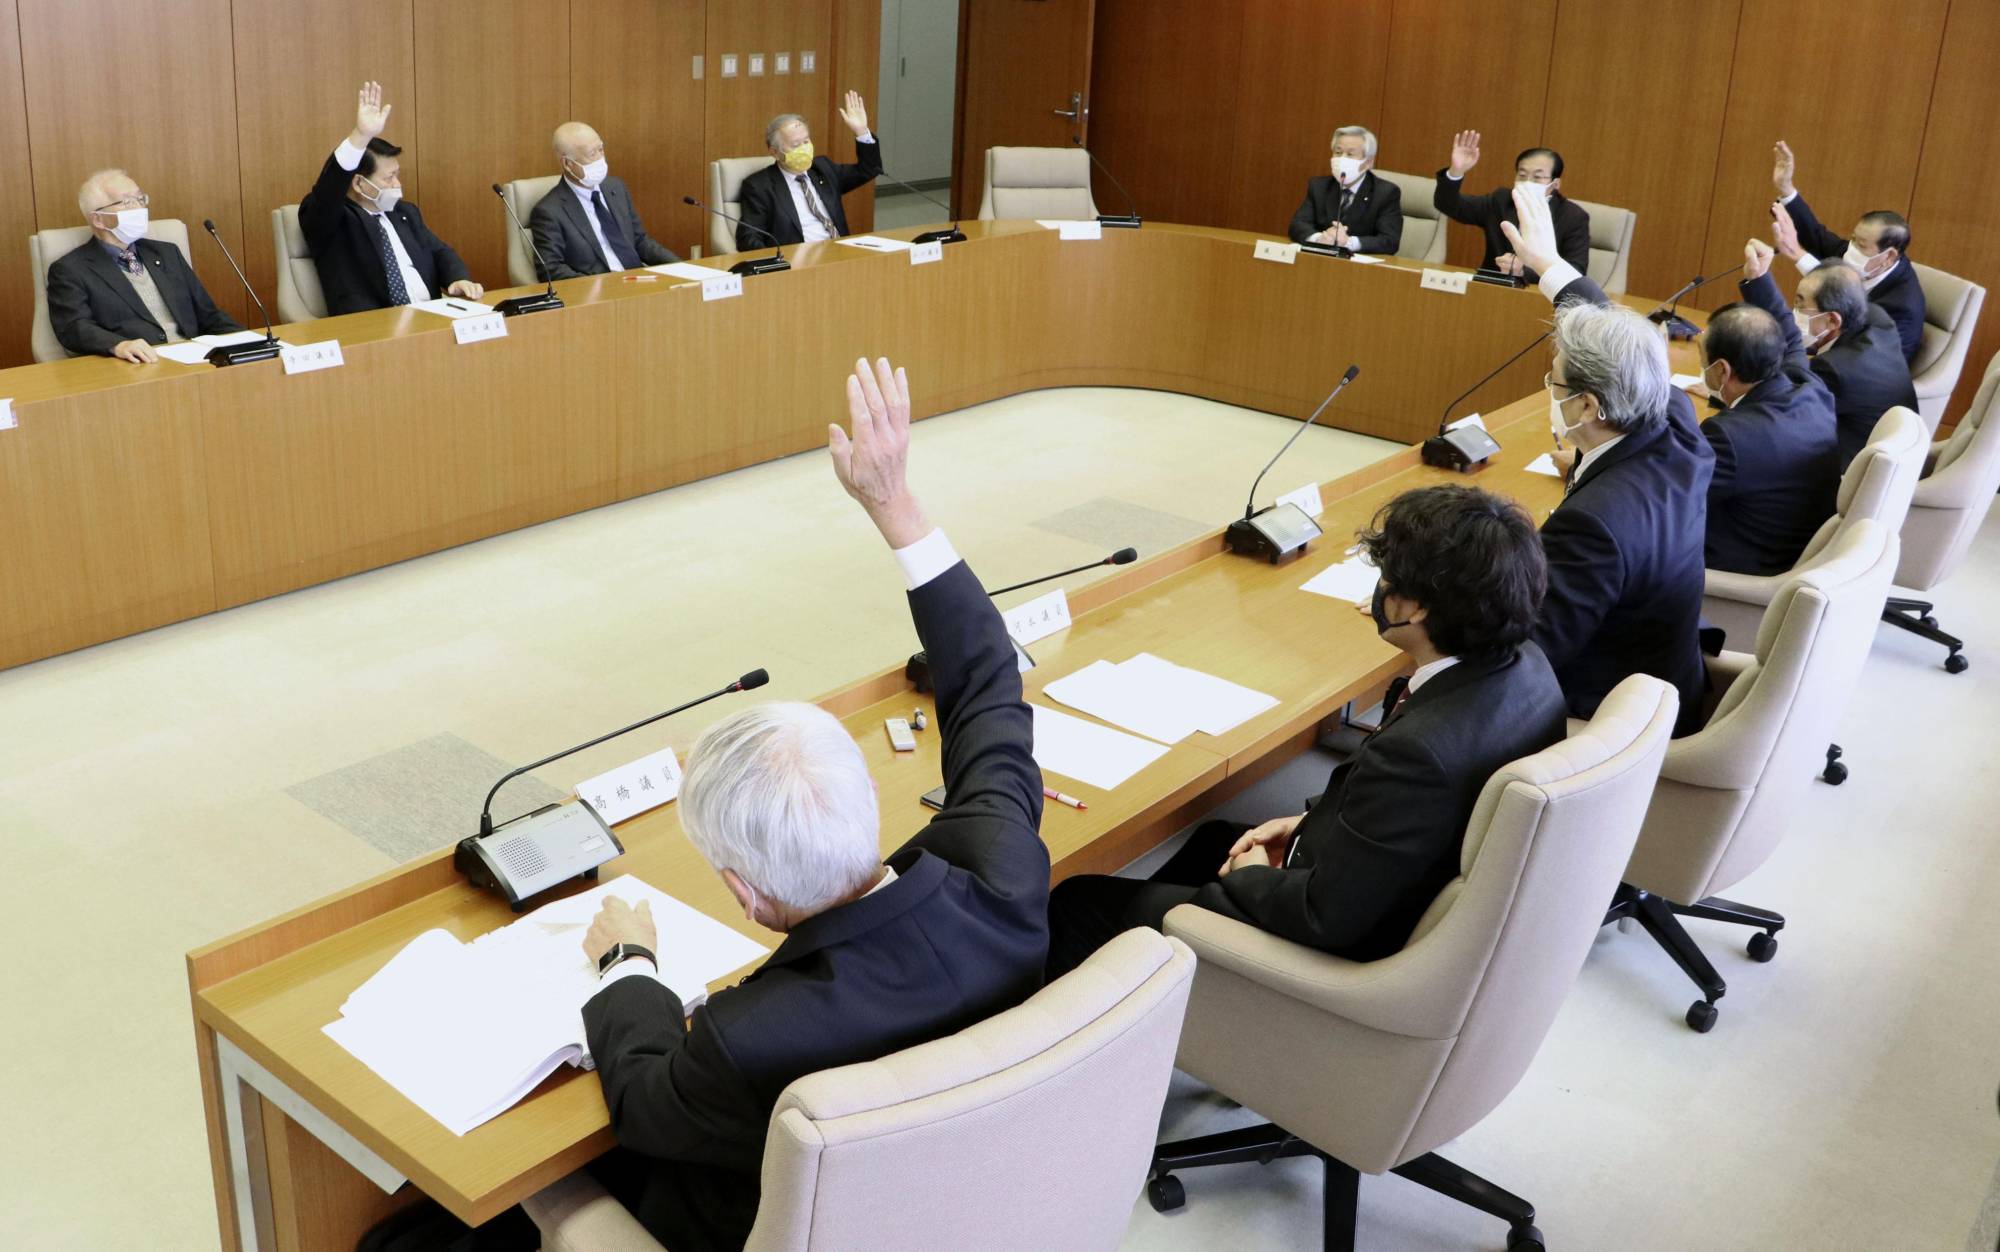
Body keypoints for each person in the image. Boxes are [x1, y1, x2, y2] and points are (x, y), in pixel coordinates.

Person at [574, 357, 1048, 1252]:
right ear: (865, 797)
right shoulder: (1005, 869)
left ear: (745, 892)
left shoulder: (747, 1036)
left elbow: (641, 1102)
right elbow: (990, 683)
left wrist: (626, 963)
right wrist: (895, 505)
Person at [1045, 484, 1567, 976]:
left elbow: (1329, 919)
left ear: (1415, 608)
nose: (1380, 587)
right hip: (1392, 877)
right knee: (1212, 841)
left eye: (1387, 576)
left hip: (1334, 947)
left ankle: (1127, 987)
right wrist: (1306, 825)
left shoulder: (1418, 754)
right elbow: (1404, 821)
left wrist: (1253, 876)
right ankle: (1145, 961)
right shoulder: (1528, 668)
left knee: (1076, 900)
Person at [1499, 187, 1713, 735]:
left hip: (1608, 716)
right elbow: (1622, 340)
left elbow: (1529, 654)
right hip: (1670, 680)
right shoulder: (1678, 427)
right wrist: (1549, 265)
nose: (1550, 391)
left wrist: (1439, 603)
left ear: (1589, 405)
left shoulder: (1594, 525)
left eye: (1555, 383)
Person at [1693, 238, 1841, 575]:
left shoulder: (1729, 437)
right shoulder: (1810, 391)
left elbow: (1663, 493)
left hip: (1742, 570)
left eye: (1703, 357)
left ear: (1721, 371)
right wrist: (1759, 280)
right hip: (1790, 545)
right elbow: (1791, 341)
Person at [299, 81, 483, 314]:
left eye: (397, 175)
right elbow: (329, 188)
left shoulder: (405, 213)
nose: (397, 184)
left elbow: (439, 251)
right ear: (358, 183)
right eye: (389, 178)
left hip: (431, 315)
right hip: (375, 322)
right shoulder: (333, 219)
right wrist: (360, 136)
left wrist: (457, 279)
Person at [46, 170, 242, 362]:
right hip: (136, 365)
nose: (139, 208)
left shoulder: (167, 253)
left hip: (194, 359)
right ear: (98, 219)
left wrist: (246, 342)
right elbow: (74, 328)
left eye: (140, 199)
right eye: (127, 202)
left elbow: (209, 315)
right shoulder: (70, 269)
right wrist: (119, 345)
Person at [1769, 139, 1925, 362]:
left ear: (1888, 256)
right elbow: (1816, 235)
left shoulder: (1902, 306)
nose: (1851, 249)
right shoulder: (1857, 257)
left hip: (1860, 371)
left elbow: (1862, 350)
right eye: (1853, 239)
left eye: (1861, 244)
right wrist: (1786, 188)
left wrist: (1798, 255)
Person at [1794, 260, 1920, 470]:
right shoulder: (1876, 318)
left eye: (1800, 305)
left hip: (1851, 470)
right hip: (1897, 456)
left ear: (1832, 321)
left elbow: (1786, 408)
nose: (1794, 312)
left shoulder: (1834, 369)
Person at [528, 122, 680, 278]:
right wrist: (602, 287)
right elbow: (551, 269)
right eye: (592, 154)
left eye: (601, 149)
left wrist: (681, 267)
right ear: (568, 164)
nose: (600, 158)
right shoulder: (549, 211)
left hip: (638, 281)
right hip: (597, 286)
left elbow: (640, 241)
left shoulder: (616, 188)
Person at [1434, 129, 1589, 280]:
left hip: (1539, 292)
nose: (1527, 182)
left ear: (1555, 184)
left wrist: (1524, 271)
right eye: (1522, 175)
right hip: (1492, 286)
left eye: (1537, 177)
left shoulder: (1573, 217)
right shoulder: (1501, 200)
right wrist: (1456, 171)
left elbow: (1576, 269)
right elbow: (1448, 205)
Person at [735, 91, 882, 251]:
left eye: (806, 141)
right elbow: (748, 238)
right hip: (799, 259)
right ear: (775, 152)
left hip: (839, 252)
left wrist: (862, 131)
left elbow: (869, 169)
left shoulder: (823, 168)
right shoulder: (760, 186)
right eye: (795, 145)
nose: (804, 148)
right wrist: (777, 261)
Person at [1287, 125, 1403, 253]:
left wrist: (1349, 242)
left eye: (1350, 154)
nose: (1342, 159)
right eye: (1338, 152)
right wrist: (1320, 238)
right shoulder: (1319, 186)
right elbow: (1297, 225)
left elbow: (1390, 241)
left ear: (1368, 162)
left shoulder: (1385, 193)